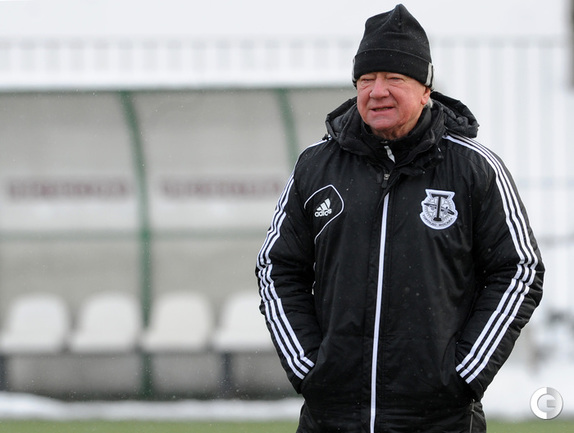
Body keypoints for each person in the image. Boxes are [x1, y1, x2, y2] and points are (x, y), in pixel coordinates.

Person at [256, 4, 544, 432]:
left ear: (425, 90)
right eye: (366, 79)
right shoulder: (315, 166)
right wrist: (309, 366)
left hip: (440, 419)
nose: (377, 91)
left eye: (395, 78)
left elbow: (519, 269)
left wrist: (464, 373)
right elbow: (277, 267)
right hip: (333, 417)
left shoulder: (474, 168)